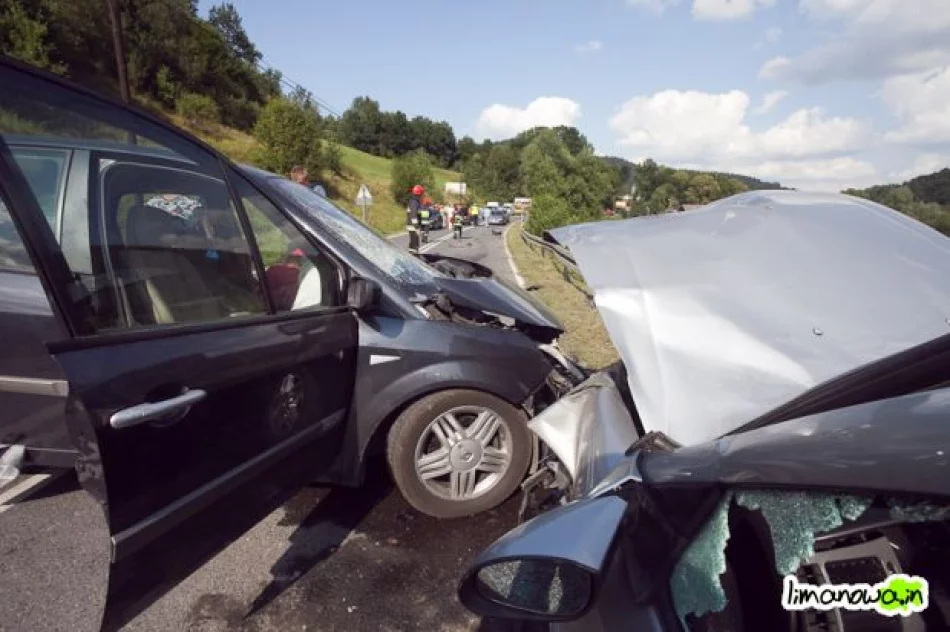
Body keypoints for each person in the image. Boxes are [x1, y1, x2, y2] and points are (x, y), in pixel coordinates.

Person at [406, 184, 425, 253]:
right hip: (413, 225)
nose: (422, 195)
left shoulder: (414, 201)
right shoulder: (414, 202)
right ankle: (414, 257)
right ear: (419, 194)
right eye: (422, 194)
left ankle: (411, 255)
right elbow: (413, 215)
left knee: (413, 242)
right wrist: (416, 227)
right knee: (415, 243)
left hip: (412, 225)